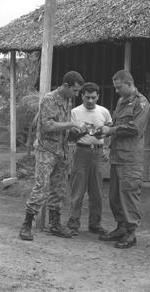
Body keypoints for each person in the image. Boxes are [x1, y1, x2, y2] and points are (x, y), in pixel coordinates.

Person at [20, 71, 87, 240]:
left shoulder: (68, 100)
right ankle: (27, 224)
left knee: (59, 189)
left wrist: (75, 131)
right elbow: (48, 126)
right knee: (41, 186)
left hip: (61, 150)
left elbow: (62, 126)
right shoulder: (49, 99)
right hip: (46, 150)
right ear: (66, 86)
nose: (77, 94)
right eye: (75, 90)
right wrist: (72, 123)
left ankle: (55, 224)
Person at [98, 70, 150, 248]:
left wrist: (111, 131)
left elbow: (135, 128)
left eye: (119, 87)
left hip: (130, 160)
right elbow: (115, 124)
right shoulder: (121, 102)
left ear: (129, 84)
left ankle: (131, 233)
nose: (116, 91)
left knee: (128, 196)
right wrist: (104, 131)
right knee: (114, 197)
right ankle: (121, 227)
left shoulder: (142, 103)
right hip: (117, 157)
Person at [67, 82, 112, 236]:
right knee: (77, 191)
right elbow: (70, 135)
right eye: (87, 97)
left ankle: (95, 224)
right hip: (81, 152)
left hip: (98, 153)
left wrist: (107, 148)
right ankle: (73, 224)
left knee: (97, 192)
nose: (90, 100)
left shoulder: (104, 112)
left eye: (93, 97)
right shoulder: (74, 112)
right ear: (82, 96)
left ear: (98, 96)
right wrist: (79, 131)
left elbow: (110, 130)